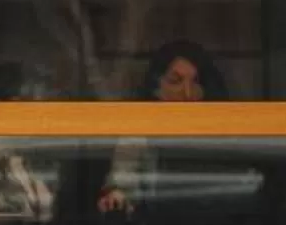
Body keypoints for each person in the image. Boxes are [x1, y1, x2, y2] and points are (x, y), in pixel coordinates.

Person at [97, 36, 229, 214]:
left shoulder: (225, 128)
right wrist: (118, 197)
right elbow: (123, 182)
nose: (188, 93)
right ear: (156, 88)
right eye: (175, 82)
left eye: (196, 83)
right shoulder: (139, 130)